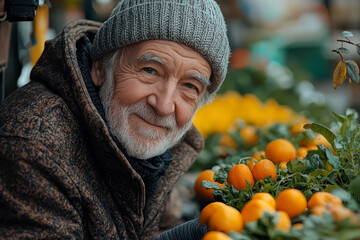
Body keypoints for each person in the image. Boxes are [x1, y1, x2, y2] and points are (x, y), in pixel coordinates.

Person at [0, 0, 230, 239]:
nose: (163, 106)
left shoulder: (156, 156)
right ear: (100, 67)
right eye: (149, 71)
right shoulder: (35, 147)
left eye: (189, 86)